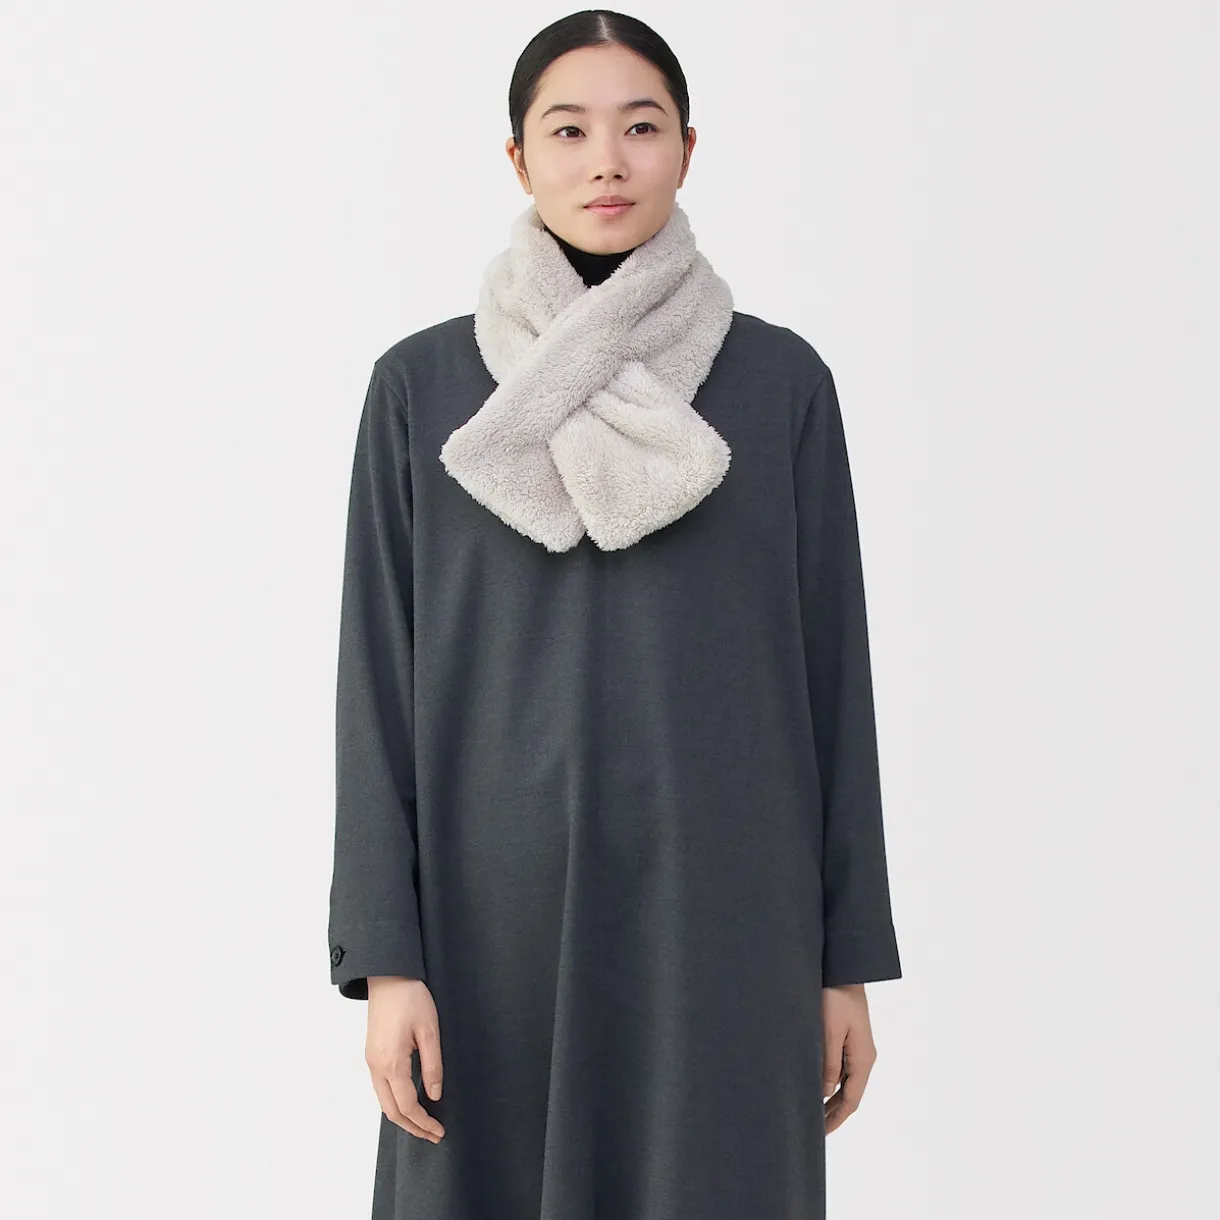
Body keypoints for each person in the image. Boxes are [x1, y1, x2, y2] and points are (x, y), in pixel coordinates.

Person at [327, 9, 903, 1219]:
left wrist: (843, 958)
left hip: (723, 916)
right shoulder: (423, 388)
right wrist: (385, 958)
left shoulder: (778, 384)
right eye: (567, 130)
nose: (606, 161)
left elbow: (831, 680)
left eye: (640, 128)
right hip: (486, 924)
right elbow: (375, 684)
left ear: (687, 150)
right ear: (516, 157)